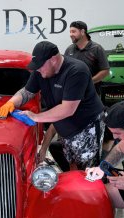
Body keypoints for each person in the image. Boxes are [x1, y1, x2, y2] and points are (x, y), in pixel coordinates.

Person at [0, 41, 105, 170]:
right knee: (73, 166)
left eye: (40, 66)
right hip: (65, 128)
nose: (38, 70)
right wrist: (11, 102)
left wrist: (35, 117)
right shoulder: (40, 71)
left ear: (53, 59)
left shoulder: (76, 71)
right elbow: (27, 91)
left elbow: (67, 109)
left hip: (86, 127)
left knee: (89, 172)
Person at [39, 21, 110, 170]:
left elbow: (105, 71)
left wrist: (86, 82)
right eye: (70, 32)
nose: (71, 34)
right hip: (71, 97)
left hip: (90, 98)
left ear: (83, 31)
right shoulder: (70, 49)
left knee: (89, 156)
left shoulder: (96, 49)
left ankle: (99, 163)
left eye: (74, 31)